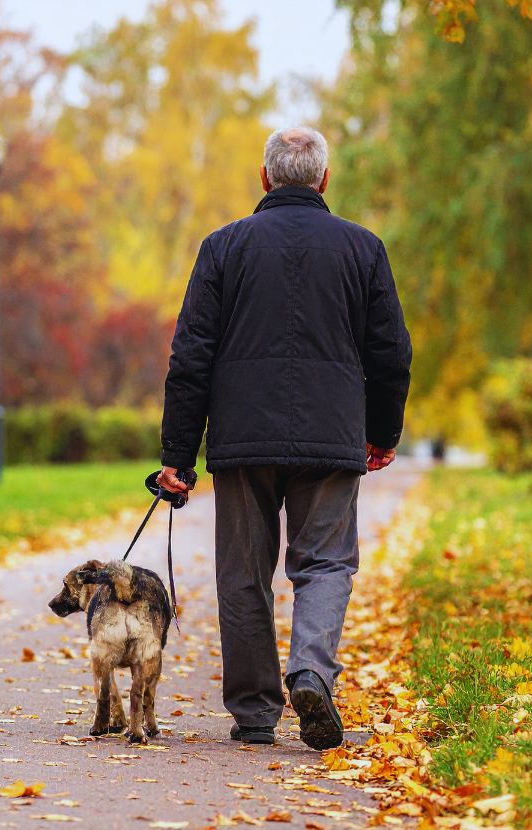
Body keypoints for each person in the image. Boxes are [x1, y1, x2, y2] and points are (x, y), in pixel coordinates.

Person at [156, 126, 412, 750]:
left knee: (243, 572)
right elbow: (391, 352)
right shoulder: (363, 248)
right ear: (323, 180)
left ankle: (254, 712)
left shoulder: (222, 247)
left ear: (265, 178)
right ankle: (311, 673)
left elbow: (191, 356)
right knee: (325, 562)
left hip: (242, 438)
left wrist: (177, 459)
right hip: (331, 436)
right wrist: (381, 432)